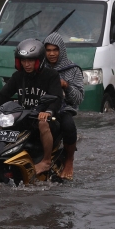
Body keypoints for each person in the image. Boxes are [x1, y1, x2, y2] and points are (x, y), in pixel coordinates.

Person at [0, 39, 63, 175]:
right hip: (24, 117)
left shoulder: (51, 76)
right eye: (23, 61)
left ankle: (46, 161)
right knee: (3, 124)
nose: (26, 64)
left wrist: (48, 111)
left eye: (30, 61)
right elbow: (3, 94)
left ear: (39, 61)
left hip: (45, 119)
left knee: (43, 124)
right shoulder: (18, 76)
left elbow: (57, 98)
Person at [43, 32, 83, 181]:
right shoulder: (38, 67)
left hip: (62, 109)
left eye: (55, 50)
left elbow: (78, 99)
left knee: (69, 125)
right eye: (48, 50)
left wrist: (66, 86)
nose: (52, 54)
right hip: (40, 107)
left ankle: (69, 160)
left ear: (61, 51)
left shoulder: (73, 70)